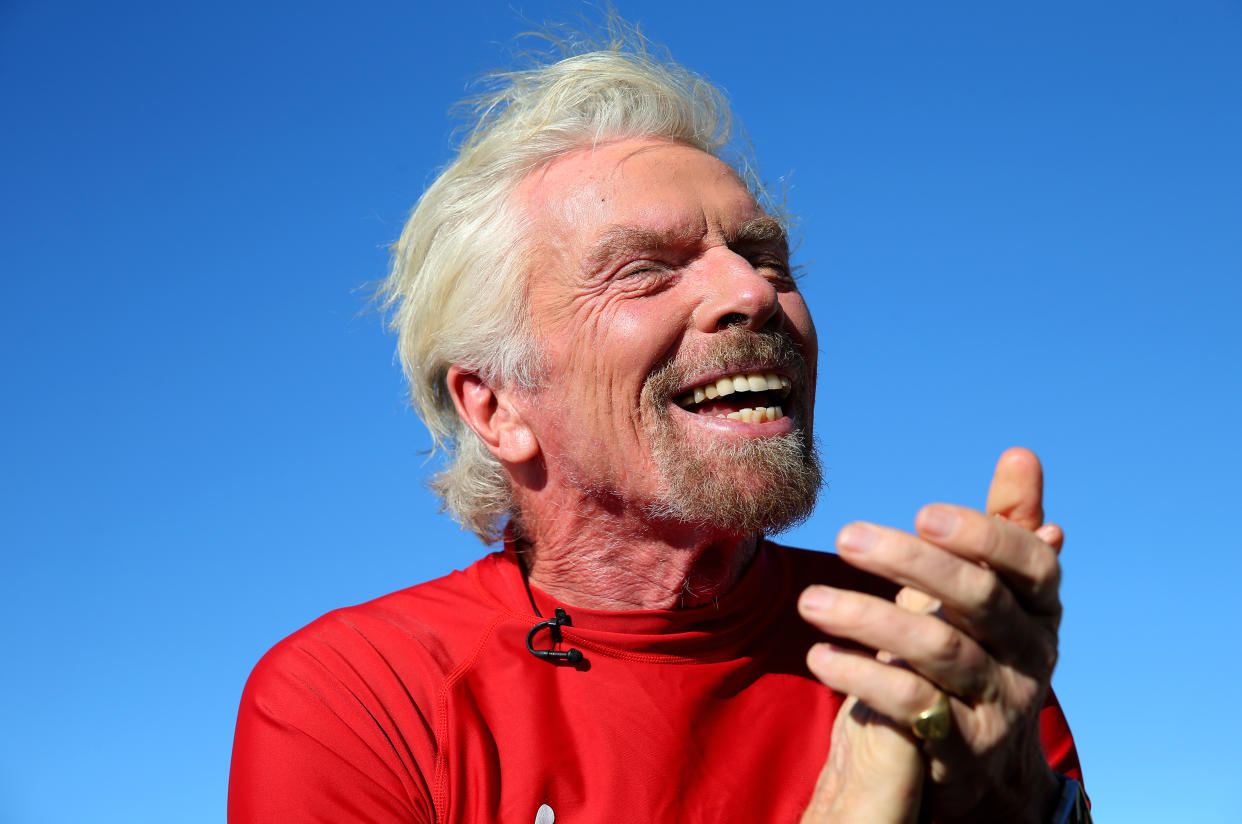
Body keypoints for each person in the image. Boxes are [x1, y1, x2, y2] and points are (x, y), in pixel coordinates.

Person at [229, 24, 1087, 824]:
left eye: (764, 257)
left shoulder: (934, 656)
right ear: (497, 406)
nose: (753, 295)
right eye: (645, 271)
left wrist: (1018, 800)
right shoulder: (357, 697)